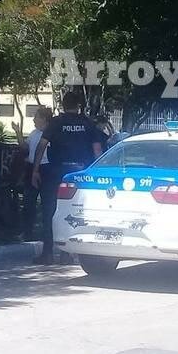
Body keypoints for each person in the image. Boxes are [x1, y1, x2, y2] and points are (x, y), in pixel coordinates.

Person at [31, 92, 103, 264]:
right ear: (78, 106)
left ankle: (47, 253)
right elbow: (97, 150)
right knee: (75, 211)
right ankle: (66, 253)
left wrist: (35, 170)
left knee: (50, 211)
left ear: (63, 105)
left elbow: (42, 145)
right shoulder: (87, 123)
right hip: (80, 174)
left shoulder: (56, 122)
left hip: (56, 172)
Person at [12, 107, 53, 242]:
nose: (34, 119)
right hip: (31, 168)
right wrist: (18, 133)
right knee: (28, 202)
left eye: (37, 116)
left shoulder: (51, 134)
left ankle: (47, 232)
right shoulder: (34, 133)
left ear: (44, 119)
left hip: (46, 169)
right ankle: (27, 232)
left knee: (47, 203)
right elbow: (25, 147)